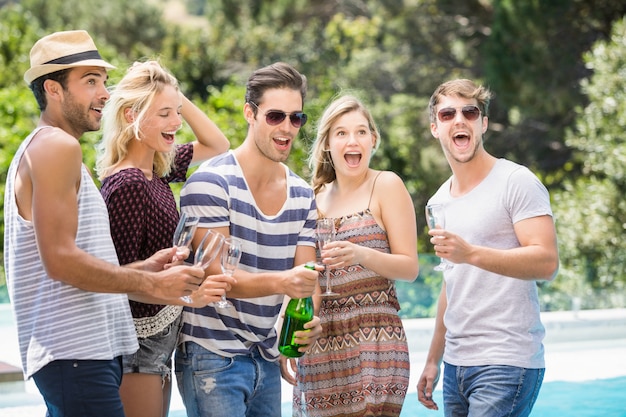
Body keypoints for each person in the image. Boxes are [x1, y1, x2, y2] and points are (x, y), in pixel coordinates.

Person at [3, 30, 206, 417]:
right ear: (53, 89)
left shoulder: (49, 149)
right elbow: (60, 262)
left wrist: (140, 268)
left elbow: (68, 264)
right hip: (77, 355)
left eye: (104, 81)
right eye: (90, 81)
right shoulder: (55, 147)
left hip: (80, 357)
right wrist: (152, 283)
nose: (106, 94)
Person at [174, 62, 323, 417]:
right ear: (249, 114)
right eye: (275, 116)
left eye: (296, 118)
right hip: (211, 353)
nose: (287, 128)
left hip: (266, 354)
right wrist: (285, 282)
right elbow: (219, 278)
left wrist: (305, 324)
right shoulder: (210, 183)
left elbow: (306, 280)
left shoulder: (302, 194)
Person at [95, 60, 232, 417]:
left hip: (158, 343)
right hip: (138, 346)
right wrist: (189, 295)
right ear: (131, 116)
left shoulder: (157, 169)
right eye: (164, 114)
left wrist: (170, 89)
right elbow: (113, 280)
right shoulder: (129, 184)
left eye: (178, 113)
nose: (176, 122)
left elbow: (218, 144)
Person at [416, 79, 560, 417]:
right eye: (448, 114)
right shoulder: (438, 202)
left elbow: (547, 262)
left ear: (483, 124)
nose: (459, 120)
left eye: (470, 112)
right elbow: (452, 284)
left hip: (507, 360)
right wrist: (434, 359)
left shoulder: (516, 181)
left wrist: (472, 254)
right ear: (436, 128)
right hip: (456, 365)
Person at [291, 94, 420, 417]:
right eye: (342, 133)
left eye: (361, 132)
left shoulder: (386, 185)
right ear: (327, 144)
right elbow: (310, 281)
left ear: (373, 140)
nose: (353, 140)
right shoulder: (313, 198)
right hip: (323, 343)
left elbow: (409, 267)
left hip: (375, 337)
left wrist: (360, 253)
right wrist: (296, 332)